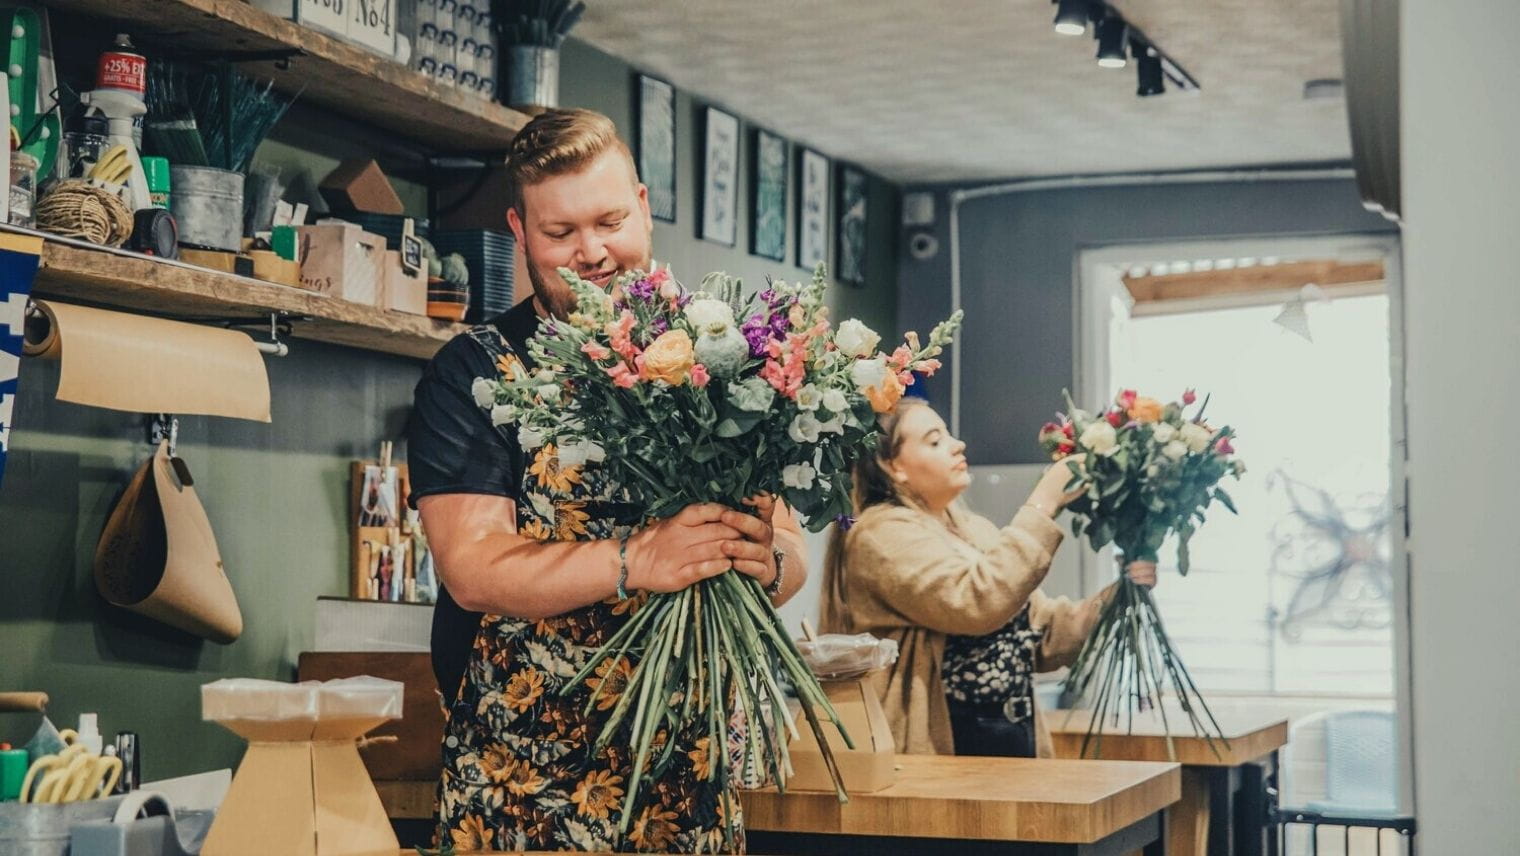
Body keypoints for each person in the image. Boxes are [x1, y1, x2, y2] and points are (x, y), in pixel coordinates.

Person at [407, 108, 808, 853]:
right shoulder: (475, 372)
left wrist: (769, 560)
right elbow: (472, 569)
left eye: (610, 221)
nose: (591, 252)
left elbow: (786, 547)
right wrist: (636, 562)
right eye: (560, 234)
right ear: (519, 233)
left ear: (645, 209)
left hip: (690, 776)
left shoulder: (724, 356)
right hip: (525, 782)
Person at [818, 397, 1155, 758]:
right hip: (947, 744)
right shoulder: (879, 532)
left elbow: (1042, 636)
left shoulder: (973, 529)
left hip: (1013, 734)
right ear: (892, 466)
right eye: (935, 441)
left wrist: (1120, 595)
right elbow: (976, 601)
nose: (958, 444)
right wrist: (1043, 501)